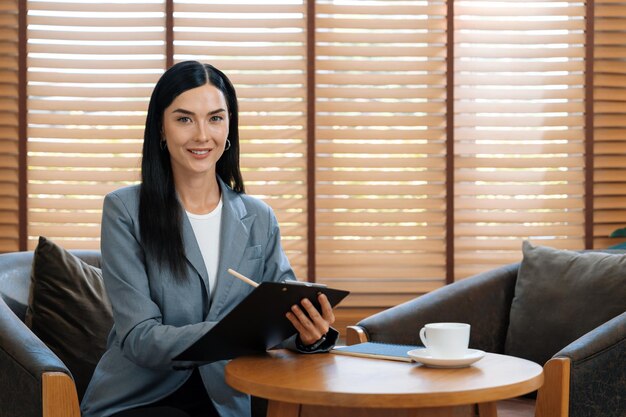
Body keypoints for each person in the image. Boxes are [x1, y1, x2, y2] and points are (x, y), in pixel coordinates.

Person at [80, 60, 338, 417]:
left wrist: (311, 334)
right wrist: (230, 334)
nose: (202, 135)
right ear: (161, 127)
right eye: (184, 119)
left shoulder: (258, 217)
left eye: (215, 118)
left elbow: (282, 312)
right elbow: (140, 338)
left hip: (227, 397)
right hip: (140, 398)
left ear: (229, 125)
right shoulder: (125, 209)